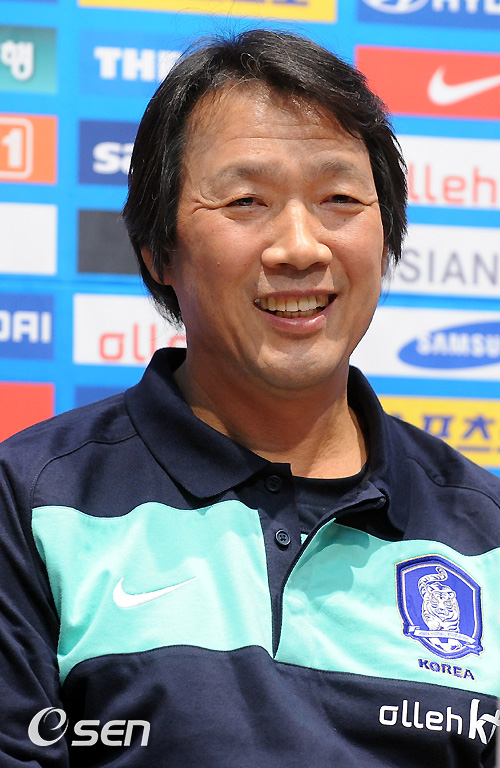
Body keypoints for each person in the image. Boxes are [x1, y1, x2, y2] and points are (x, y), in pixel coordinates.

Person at [0, 28, 499, 768]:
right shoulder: (33, 501)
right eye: (246, 200)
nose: (300, 247)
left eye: (339, 198)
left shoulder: (484, 532)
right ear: (159, 251)